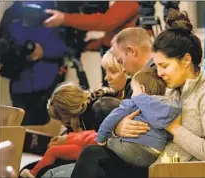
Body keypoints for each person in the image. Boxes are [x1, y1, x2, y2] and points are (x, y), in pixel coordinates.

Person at [70, 9, 205, 178]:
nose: (159, 73)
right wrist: (119, 127)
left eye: (164, 66)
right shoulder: (169, 89)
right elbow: (138, 117)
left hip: (175, 170)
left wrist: (173, 127)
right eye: (157, 66)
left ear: (186, 60)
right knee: (93, 154)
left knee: (93, 159)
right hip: (154, 162)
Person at [42, 27, 154, 178]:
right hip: (128, 149)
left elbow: (137, 126)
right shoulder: (134, 82)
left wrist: (116, 129)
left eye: (120, 62)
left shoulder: (151, 79)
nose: (123, 68)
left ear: (132, 51)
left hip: (143, 156)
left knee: (87, 155)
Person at [0, 1, 68, 125]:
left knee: (47, 132)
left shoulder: (54, 10)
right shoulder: (12, 13)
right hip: (20, 85)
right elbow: (1, 47)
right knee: (23, 130)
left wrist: (44, 51)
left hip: (49, 85)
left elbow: (68, 46)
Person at [97, 68, 181, 167]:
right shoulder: (169, 106)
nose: (132, 95)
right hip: (156, 154)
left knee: (108, 142)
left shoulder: (134, 102)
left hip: (132, 150)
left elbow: (110, 119)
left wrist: (101, 138)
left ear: (142, 89)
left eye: (133, 90)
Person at [20, 96, 120, 178]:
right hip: (93, 147)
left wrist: (65, 139)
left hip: (93, 149)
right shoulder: (99, 107)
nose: (63, 123)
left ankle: (32, 173)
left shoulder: (94, 115)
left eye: (61, 119)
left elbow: (86, 138)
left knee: (53, 151)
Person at [44, 1, 139, 86]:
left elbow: (107, 22)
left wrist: (65, 19)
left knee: (114, 96)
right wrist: (88, 46)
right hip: (113, 56)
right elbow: (115, 33)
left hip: (121, 60)